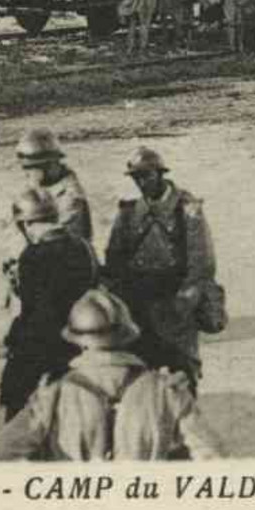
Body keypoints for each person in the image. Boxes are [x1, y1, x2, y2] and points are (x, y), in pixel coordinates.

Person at [0, 289, 224, 461]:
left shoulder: (53, 392)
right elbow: (214, 457)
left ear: (78, 341)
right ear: (127, 335)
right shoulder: (166, 389)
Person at [103, 148, 221, 387]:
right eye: (137, 178)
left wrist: (184, 302)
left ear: (160, 173)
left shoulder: (187, 209)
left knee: (181, 373)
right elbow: (114, 260)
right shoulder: (128, 213)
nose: (142, 182)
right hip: (139, 304)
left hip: (176, 302)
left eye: (147, 176)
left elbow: (202, 262)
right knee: (140, 373)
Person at [0, 188, 99, 421]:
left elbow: (32, 306)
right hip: (80, 341)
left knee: (18, 408)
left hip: (42, 346)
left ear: (25, 225)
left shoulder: (32, 255)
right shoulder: (84, 247)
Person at [15, 128, 92, 249]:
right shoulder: (43, 186)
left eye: (32, 168)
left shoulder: (70, 198)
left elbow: (59, 243)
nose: (27, 174)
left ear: (50, 165)